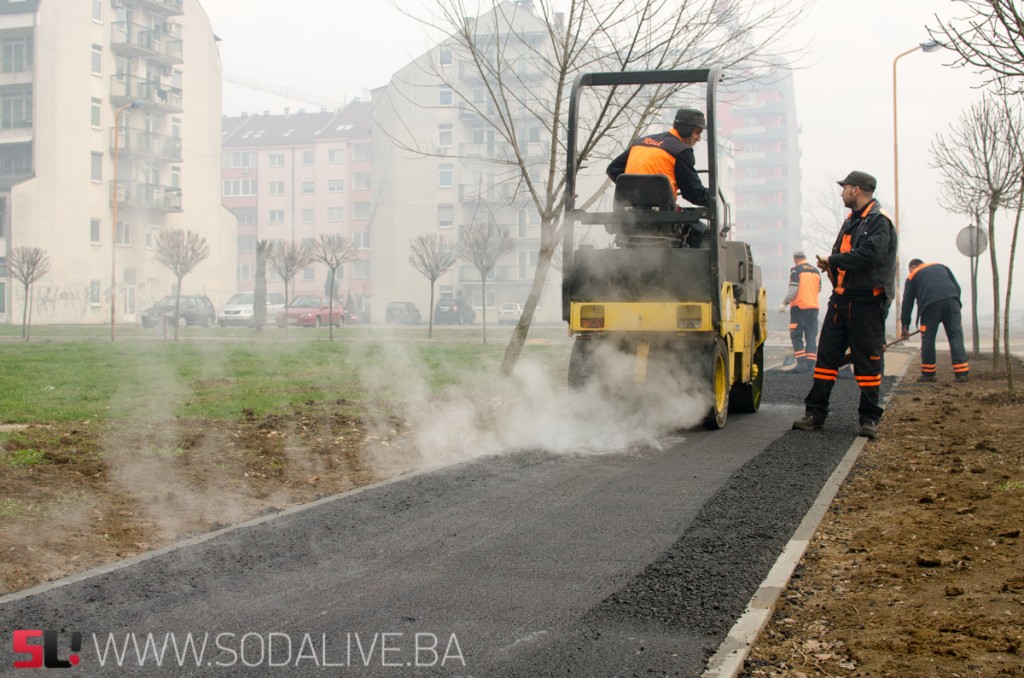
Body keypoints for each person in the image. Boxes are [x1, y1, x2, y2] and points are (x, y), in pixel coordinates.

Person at [792, 171, 897, 441]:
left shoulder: (878, 222)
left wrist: (835, 260)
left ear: (857, 190)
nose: (841, 193)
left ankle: (869, 419)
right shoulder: (852, 221)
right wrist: (832, 263)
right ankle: (814, 414)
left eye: (845, 187)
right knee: (827, 358)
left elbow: (871, 255)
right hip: (842, 300)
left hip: (867, 303)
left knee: (868, 361)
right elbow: (845, 255)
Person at [606, 107, 709, 207]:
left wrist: (633, 191)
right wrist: (711, 197)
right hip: (660, 217)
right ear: (686, 129)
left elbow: (613, 169)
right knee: (699, 225)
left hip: (627, 212)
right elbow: (693, 193)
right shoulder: (681, 151)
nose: (699, 138)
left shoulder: (640, 142)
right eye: (697, 133)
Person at [899, 259, 970, 383]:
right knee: (955, 336)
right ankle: (962, 373)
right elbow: (957, 287)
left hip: (930, 306)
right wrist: (956, 306)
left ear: (914, 266)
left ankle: (928, 374)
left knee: (928, 338)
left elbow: (907, 303)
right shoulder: (942, 266)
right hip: (952, 301)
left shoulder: (912, 275)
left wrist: (905, 326)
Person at [777, 250, 821, 373]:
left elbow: (793, 289)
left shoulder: (796, 270)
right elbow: (819, 289)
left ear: (795, 258)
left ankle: (801, 364)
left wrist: (784, 303)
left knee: (796, 336)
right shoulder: (816, 271)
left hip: (799, 308)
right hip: (813, 308)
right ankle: (811, 366)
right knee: (811, 337)